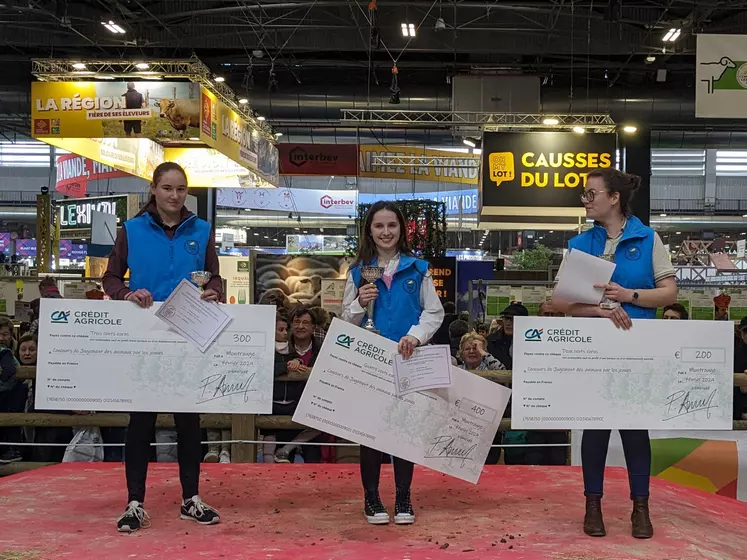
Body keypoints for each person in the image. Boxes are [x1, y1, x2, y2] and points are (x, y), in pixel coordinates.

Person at [551, 168, 677, 539]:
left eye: (591, 194)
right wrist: (600, 309)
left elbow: (668, 293)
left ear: (614, 198)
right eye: (585, 195)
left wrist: (629, 296)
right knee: (595, 430)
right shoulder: (579, 244)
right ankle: (593, 506)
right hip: (593, 353)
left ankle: (641, 507)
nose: (586, 201)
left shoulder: (648, 238)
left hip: (637, 350)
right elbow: (560, 302)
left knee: (636, 431)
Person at [103, 161, 223, 532]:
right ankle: (134, 502)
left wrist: (214, 291)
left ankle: (191, 499)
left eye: (181, 189)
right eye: (167, 188)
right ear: (153, 189)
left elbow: (214, 276)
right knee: (140, 424)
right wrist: (126, 292)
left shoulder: (201, 231)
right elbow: (110, 278)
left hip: (189, 337)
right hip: (146, 338)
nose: (174, 195)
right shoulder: (132, 229)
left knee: (190, 422)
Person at [342, 200, 444, 525]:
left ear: (402, 229)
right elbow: (345, 319)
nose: (386, 232)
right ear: (369, 231)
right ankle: (371, 498)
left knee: (404, 431)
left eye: (392, 226)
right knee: (370, 432)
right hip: (369, 362)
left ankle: (403, 497)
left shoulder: (419, 269)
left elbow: (434, 312)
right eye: (379, 226)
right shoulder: (358, 272)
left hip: (407, 359)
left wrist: (415, 336)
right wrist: (359, 303)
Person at [272, 307, 322, 464]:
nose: (301, 326)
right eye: (297, 322)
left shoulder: (322, 348)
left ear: (313, 327)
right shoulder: (280, 346)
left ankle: (287, 449)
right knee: (280, 470)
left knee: (313, 463)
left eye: (306, 323)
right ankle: (284, 451)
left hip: (313, 407)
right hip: (285, 408)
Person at [0, 317, 25, 464]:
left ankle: (13, 449)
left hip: (14, 404)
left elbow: (8, 372)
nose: (1, 338)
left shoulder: (11, 353)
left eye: (4, 334)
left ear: (11, 335)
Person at [486, 303, 528, 370]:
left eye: (512, 319)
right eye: (506, 318)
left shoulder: (532, 342)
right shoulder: (491, 340)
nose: (508, 323)